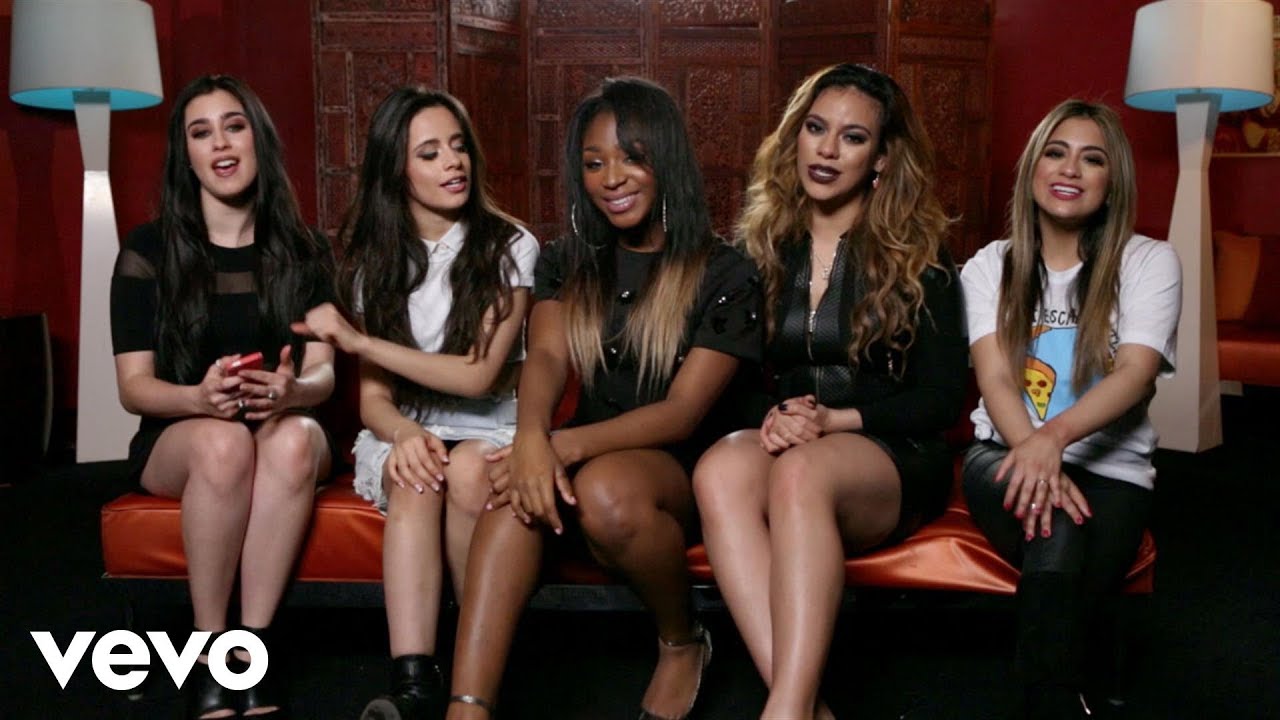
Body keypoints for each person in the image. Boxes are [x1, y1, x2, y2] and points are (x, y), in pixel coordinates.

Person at [442, 76, 763, 720]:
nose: (612, 178)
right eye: (594, 163)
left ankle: (682, 640)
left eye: (632, 158)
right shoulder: (568, 260)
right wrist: (530, 440)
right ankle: (466, 709)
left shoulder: (724, 271)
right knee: (513, 496)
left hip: (683, 472)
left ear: (666, 160)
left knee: (604, 492)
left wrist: (559, 446)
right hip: (583, 455)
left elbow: (682, 414)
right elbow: (548, 356)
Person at [692, 63, 967, 720]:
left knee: (801, 472)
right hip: (794, 439)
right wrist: (776, 415)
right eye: (816, 129)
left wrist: (834, 420)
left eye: (853, 137)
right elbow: (727, 382)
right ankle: (801, 709)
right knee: (719, 470)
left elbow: (940, 399)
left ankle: (784, 712)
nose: (827, 149)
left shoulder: (921, 256)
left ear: (882, 158)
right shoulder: (758, 247)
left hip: (892, 452)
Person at [292, 86, 539, 720]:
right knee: (417, 472)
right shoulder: (373, 263)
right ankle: (412, 681)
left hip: (492, 427)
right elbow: (373, 400)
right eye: (429, 153)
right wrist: (403, 433)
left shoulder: (510, 245)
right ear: (396, 171)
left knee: (468, 467)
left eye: (458, 147)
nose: (453, 162)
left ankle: (473, 670)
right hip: (416, 427)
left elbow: (479, 375)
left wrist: (357, 341)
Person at [110, 75, 336, 719]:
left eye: (234, 127)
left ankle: (251, 650)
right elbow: (134, 389)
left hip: (282, 427)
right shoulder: (148, 250)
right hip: (183, 434)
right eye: (201, 132)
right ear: (186, 156)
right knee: (224, 441)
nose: (221, 144)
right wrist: (200, 399)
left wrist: (293, 392)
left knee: (293, 439)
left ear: (257, 139)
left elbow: (324, 375)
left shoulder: (306, 250)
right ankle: (209, 651)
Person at [959, 99, 1180, 718]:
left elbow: (1135, 373)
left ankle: (1045, 694)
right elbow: (995, 377)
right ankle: (1056, 700)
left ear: (1113, 181)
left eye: (1092, 159)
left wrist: (1052, 440)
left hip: (1113, 471)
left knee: (1063, 537)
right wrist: (1034, 451)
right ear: (1033, 168)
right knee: (1054, 520)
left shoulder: (1149, 261)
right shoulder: (989, 266)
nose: (1070, 169)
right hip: (1000, 455)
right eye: (1055, 153)